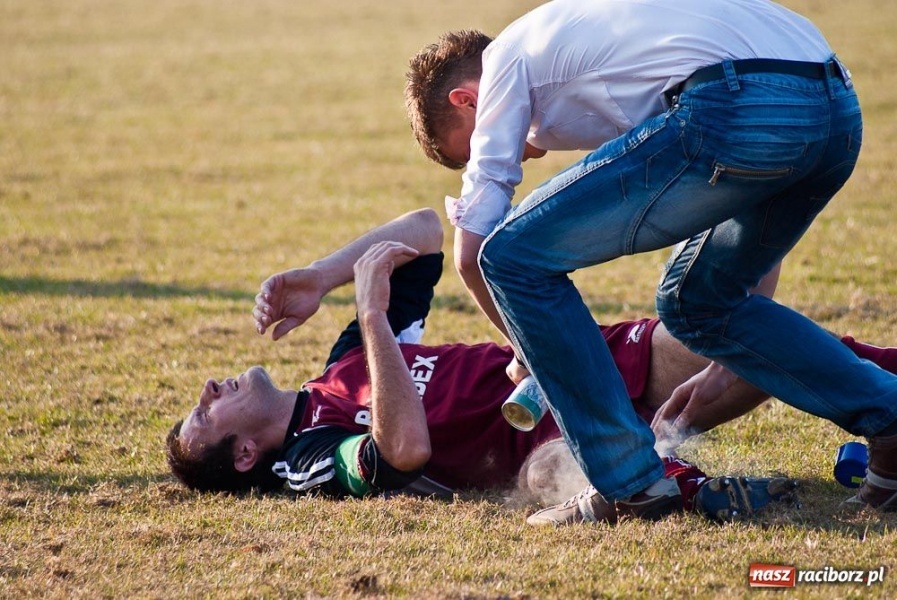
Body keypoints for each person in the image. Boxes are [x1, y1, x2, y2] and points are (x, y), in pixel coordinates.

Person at [403, 1, 897, 521]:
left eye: (469, 147)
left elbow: (475, 248)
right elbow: (740, 208)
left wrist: (525, 347)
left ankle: (629, 484)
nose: (515, 155)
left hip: (737, 103)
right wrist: (731, 352)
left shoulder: (505, 58)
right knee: (697, 303)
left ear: (467, 100)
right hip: (835, 109)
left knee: (509, 257)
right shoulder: (598, 39)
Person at [166, 209, 896, 523]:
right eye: (204, 414)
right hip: (569, 448)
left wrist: (321, 277)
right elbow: (404, 451)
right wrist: (370, 314)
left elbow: (424, 231)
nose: (208, 388)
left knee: (725, 332)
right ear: (243, 455)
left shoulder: (345, 367)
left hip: (583, 365)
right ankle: (685, 484)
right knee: (550, 479)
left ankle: (884, 390)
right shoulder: (305, 455)